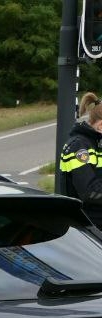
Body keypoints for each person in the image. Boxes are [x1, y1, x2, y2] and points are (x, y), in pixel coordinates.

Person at [60, 91, 102, 227]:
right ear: (100, 126)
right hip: (85, 227)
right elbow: (90, 192)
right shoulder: (79, 146)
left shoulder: (98, 144)